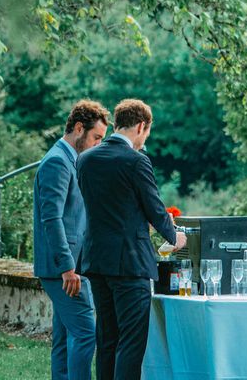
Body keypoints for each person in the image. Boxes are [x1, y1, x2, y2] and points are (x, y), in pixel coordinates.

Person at [77, 98, 187, 380]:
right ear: (141, 126)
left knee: (107, 341)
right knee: (131, 342)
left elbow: (110, 207)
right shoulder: (136, 161)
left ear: (116, 124)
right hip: (130, 265)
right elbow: (154, 207)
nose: (144, 140)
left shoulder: (85, 159)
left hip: (96, 261)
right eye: (146, 133)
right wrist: (174, 236)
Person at [33, 100, 110, 380]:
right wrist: (67, 267)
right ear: (79, 128)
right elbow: (51, 218)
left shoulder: (71, 160)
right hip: (62, 270)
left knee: (65, 340)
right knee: (86, 334)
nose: (99, 145)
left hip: (71, 268)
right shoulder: (56, 161)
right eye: (96, 138)